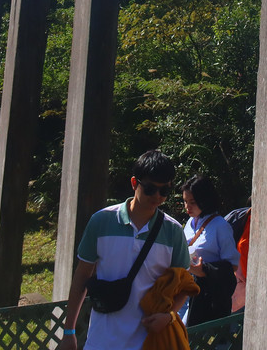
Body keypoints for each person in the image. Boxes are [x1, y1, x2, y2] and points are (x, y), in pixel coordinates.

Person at [59, 150, 190, 350]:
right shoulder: (101, 221)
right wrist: (69, 332)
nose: (157, 196)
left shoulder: (173, 231)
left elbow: (184, 286)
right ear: (134, 183)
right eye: (150, 188)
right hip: (101, 341)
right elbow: (82, 275)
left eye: (164, 191)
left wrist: (169, 315)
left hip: (150, 342)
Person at [180, 175, 240, 326]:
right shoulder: (189, 223)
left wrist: (204, 270)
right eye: (185, 201)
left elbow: (232, 265)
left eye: (192, 202)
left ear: (204, 200)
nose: (187, 207)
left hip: (205, 295)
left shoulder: (221, 226)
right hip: (183, 290)